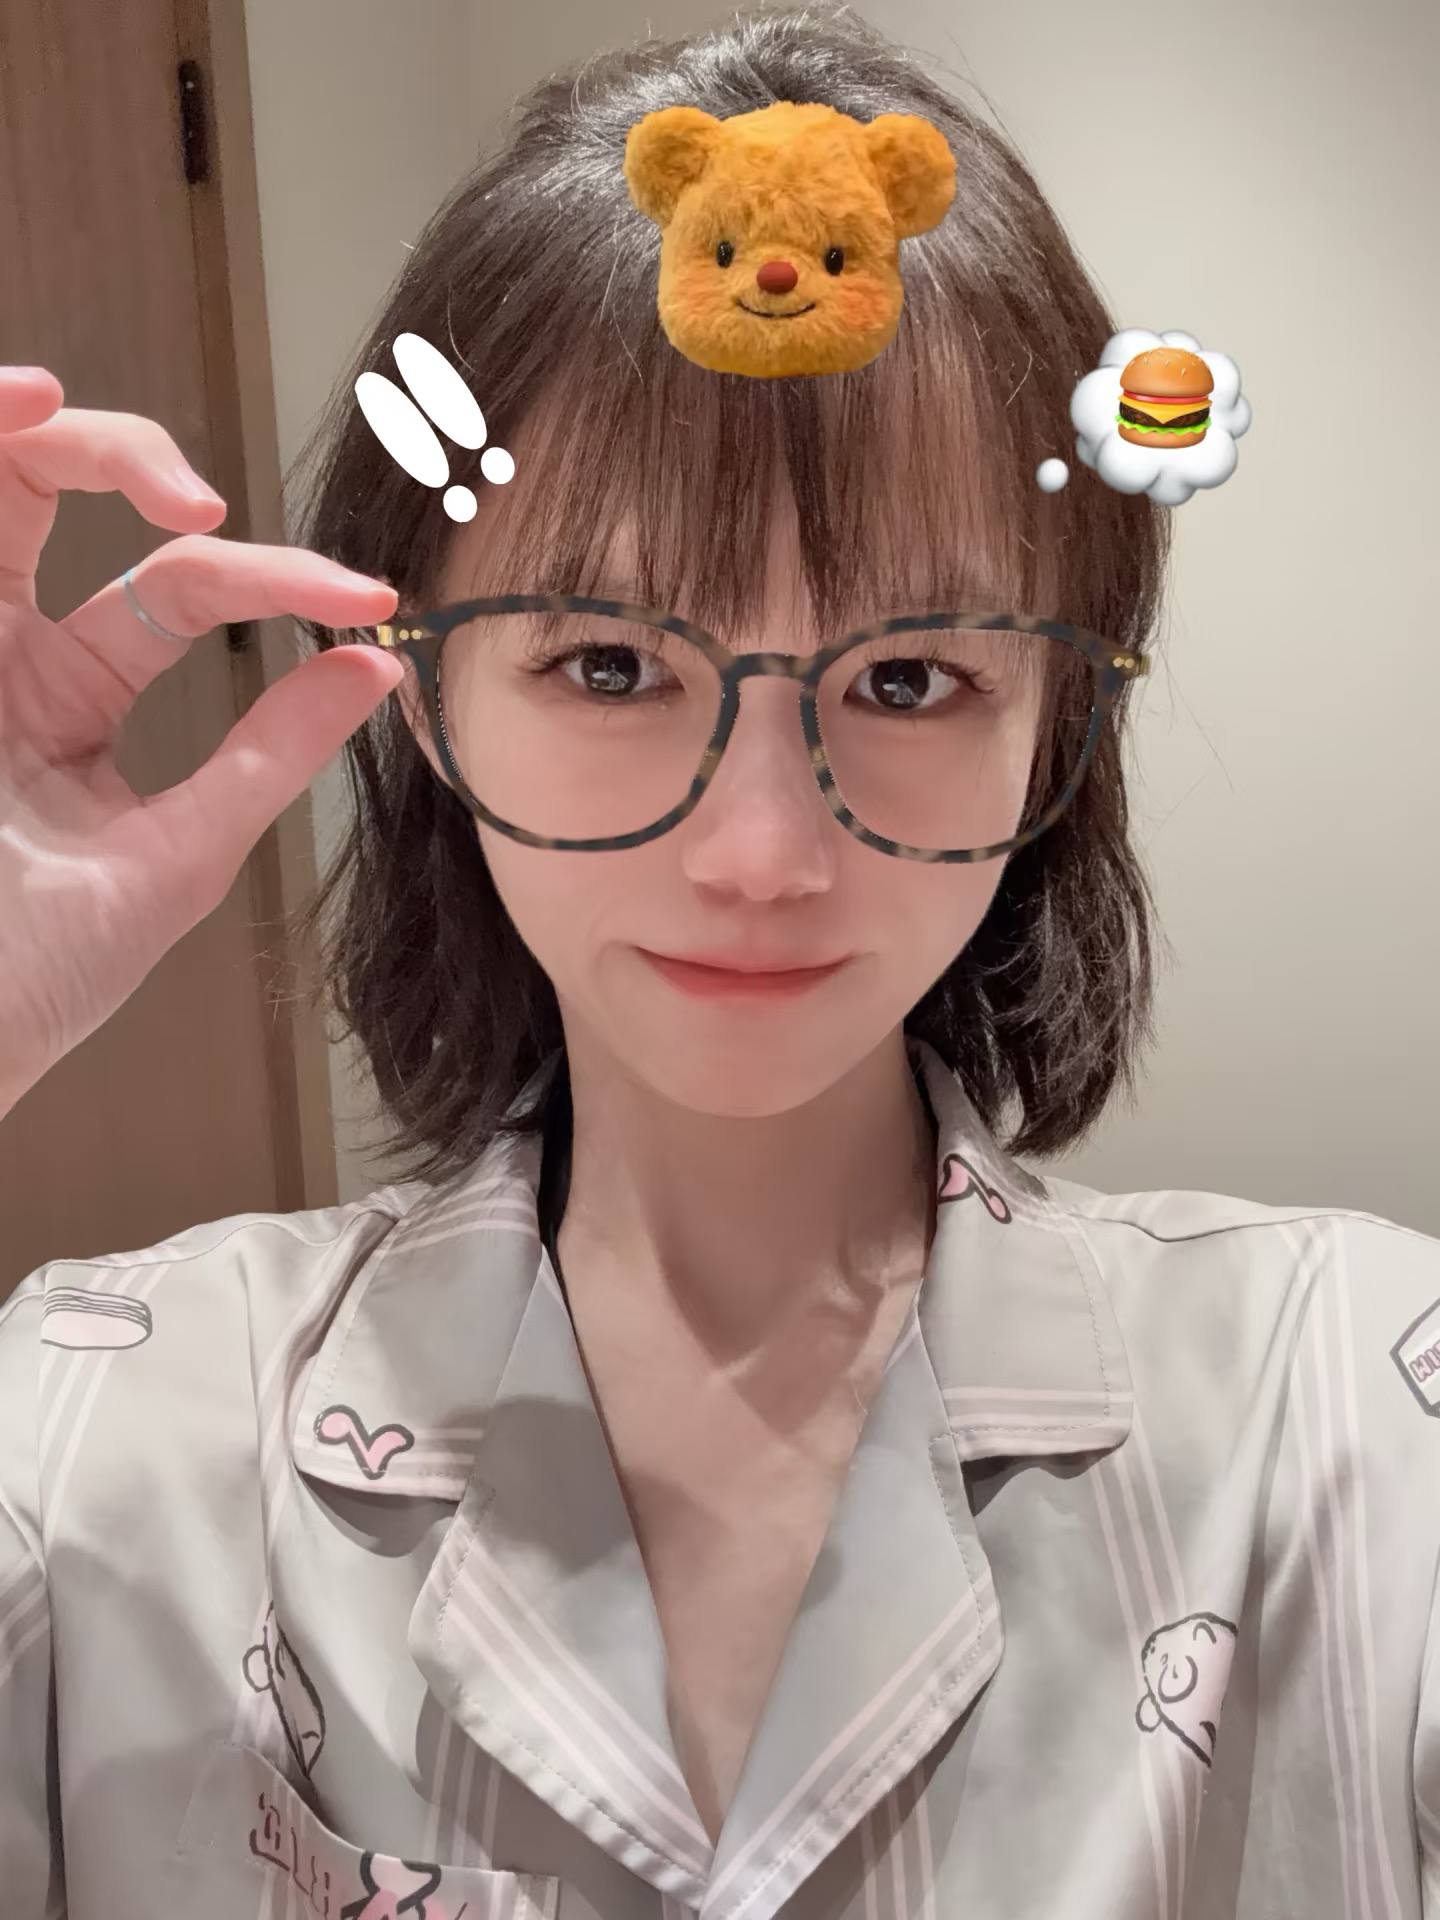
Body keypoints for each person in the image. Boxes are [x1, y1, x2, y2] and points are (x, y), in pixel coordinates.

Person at [2, 5, 1438, 1918]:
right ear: (416, 687)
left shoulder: (1352, 1402)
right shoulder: (97, 1422)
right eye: (608, 665)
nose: (762, 856)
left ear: (1058, 728)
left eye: (909, 679)